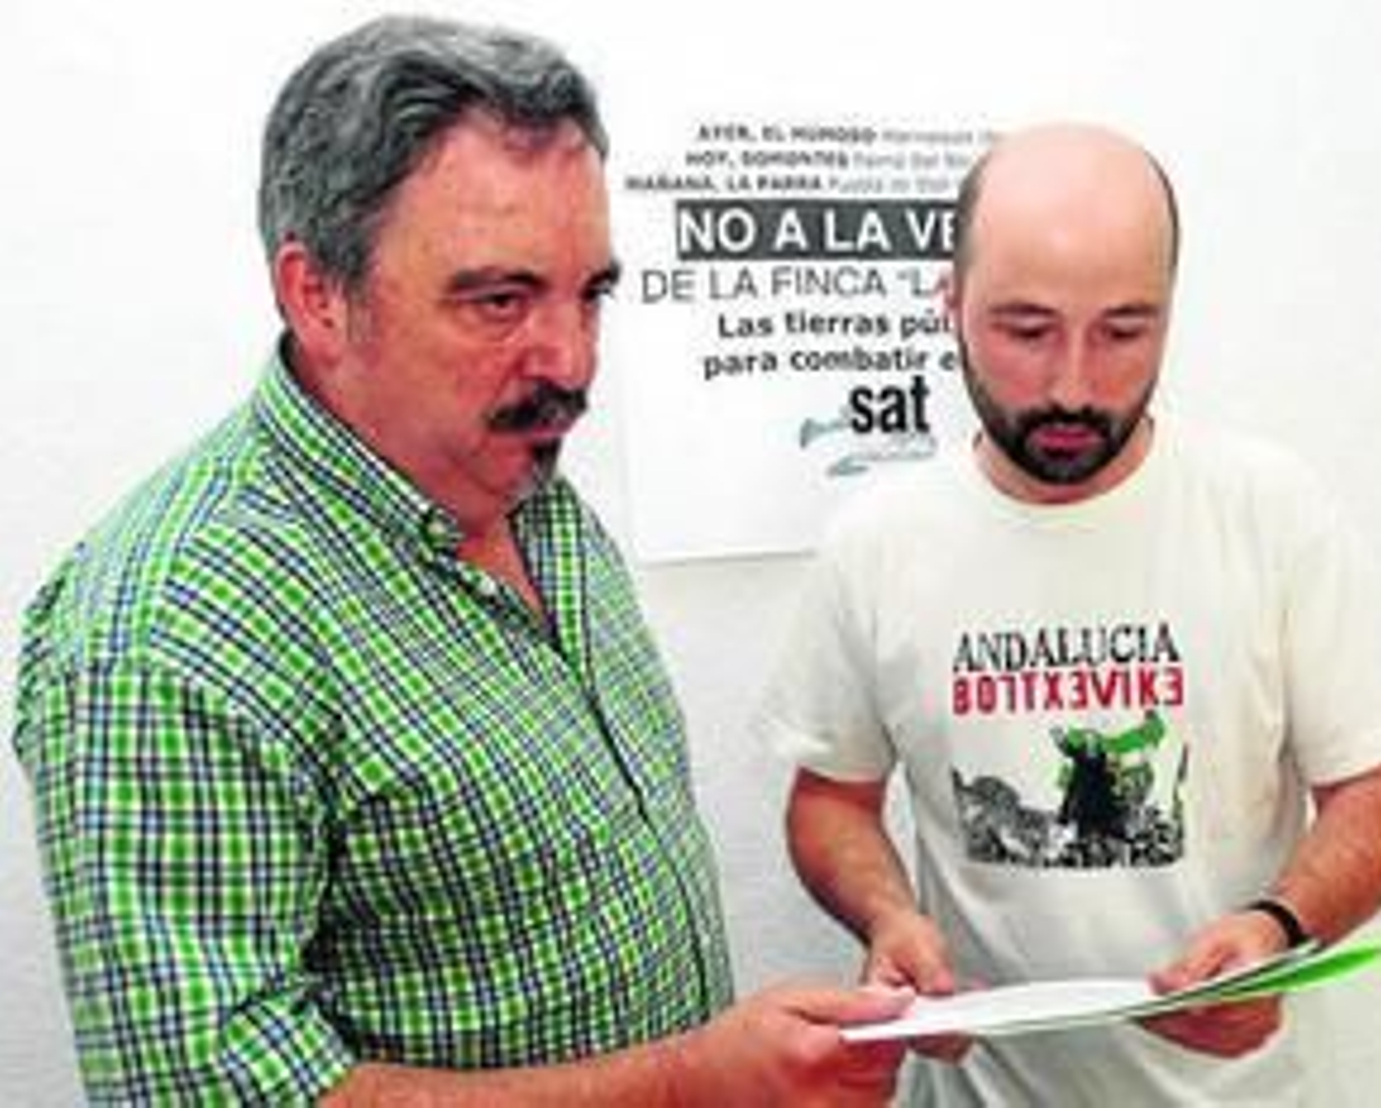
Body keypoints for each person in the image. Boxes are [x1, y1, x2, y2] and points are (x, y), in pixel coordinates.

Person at [11, 14, 910, 1105]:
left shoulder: (518, 474)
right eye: (499, 299)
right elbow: (218, 1097)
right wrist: (685, 1083)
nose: (571, 362)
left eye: (590, 293)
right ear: (317, 295)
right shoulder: (166, 635)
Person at [755, 121, 1381, 1104]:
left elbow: (1374, 792)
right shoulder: (878, 541)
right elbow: (831, 797)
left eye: (1125, 331)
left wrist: (1278, 927)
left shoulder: (1268, 510)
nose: (1072, 385)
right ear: (950, 306)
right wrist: (888, 916)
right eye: (1025, 329)